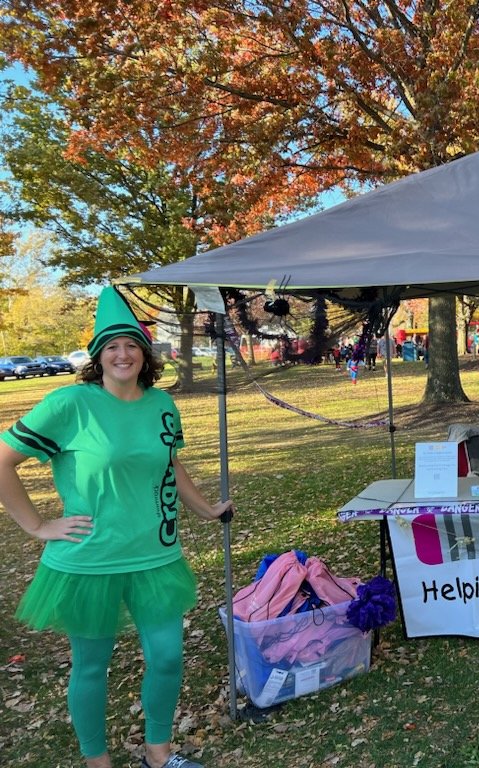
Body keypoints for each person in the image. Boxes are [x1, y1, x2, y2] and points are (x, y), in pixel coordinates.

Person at [0, 287, 234, 768]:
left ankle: (158, 753)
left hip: (156, 553)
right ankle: (97, 761)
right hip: (90, 559)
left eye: (130, 344)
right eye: (112, 346)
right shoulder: (70, 404)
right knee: (91, 666)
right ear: (98, 355)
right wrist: (38, 524)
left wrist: (206, 510)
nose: (122, 353)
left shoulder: (163, 405)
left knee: (167, 656)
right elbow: (3, 462)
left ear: (144, 352)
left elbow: (171, 466)